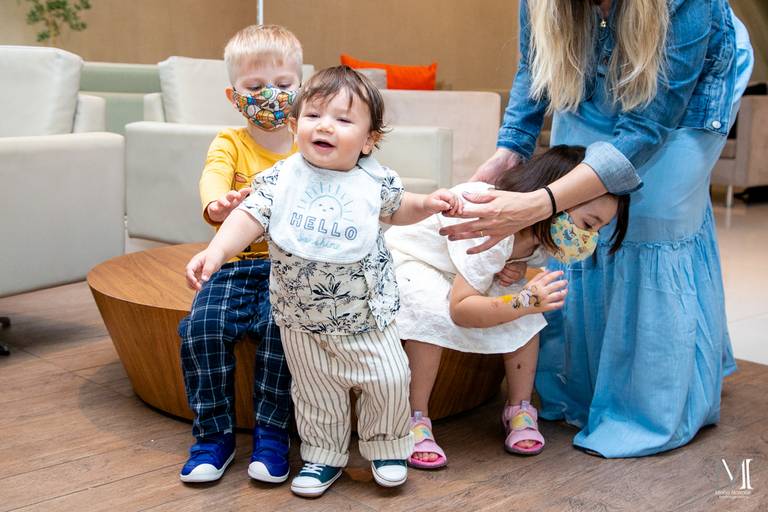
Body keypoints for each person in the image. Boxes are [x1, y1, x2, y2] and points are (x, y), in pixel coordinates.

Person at [440, 0, 754, 457]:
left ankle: (646, 404)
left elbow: (647, 128)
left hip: (683, 99)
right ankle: (581, 388)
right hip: (591, 72)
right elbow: (534, 69)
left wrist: (537, 202)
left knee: (652, 214)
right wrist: (509, 154)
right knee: (576, 217)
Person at [185, 65, 460, 497]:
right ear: (295, 126)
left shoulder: (373, 178)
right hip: (300, 317)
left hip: (368, 315)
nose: (325, 126)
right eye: (312, 116)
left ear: (369, 140)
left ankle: (387, 446)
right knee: (317, 395)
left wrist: (428, 203)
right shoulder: (281, 177)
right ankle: (323, 456)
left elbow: (398, 207)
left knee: (389, 379)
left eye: (343, 119)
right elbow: (248, 214)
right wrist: (216, 252)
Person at [386, 145, 629, 467]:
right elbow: (461, 309)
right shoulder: (493, 222)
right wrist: (520, 299)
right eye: (588, 224)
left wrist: (515, 276)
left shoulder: (543, 236)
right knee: (430, 314)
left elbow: (500, 271)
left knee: (529, 316)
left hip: (463, 272)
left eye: (598, 230)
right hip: (412, 261)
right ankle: (414, 417)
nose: (589, 238)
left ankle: (520, 408)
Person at [177, 25, 302, 484]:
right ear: (235, 95)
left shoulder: (308, 143)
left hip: (291, 269)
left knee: (280, 331)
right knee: (202, 328)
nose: (270, 95)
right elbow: (213, 175)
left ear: (301, 86)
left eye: (284, 85)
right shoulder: (230, 141)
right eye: (255, 87)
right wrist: (218, 203)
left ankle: (272, 434)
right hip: (233, 265)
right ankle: (213, 435)